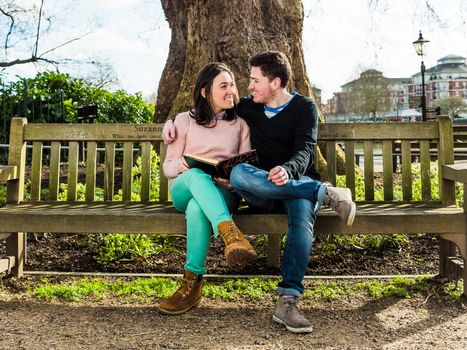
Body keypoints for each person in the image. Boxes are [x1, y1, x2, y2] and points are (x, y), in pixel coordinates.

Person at [162, 51, 356, 333]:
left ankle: (287, 301)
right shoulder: (242, 108)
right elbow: (187, 135)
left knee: (297, 214)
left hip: (286, 183)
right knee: (220, 175)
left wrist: (286, 170)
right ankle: (320, 193)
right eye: (229, 85)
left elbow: (303, 150)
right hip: (230, 186)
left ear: (274, 83)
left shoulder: (293, 109)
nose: (244, 88)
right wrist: (170, 126)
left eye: (252, 81)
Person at [158, 62, 257, 316]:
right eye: (223, 86)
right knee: (198, 177)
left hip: (223, 193)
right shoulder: (183, 121)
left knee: (197, 208)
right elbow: (168, 168)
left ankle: (191, 285)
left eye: (232, 85)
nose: (231, 91)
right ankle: (230, 234)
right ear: (205, 92)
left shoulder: (240, 124)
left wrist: (232, 179)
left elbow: (245, 168)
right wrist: (186, 165)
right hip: (185, 186)